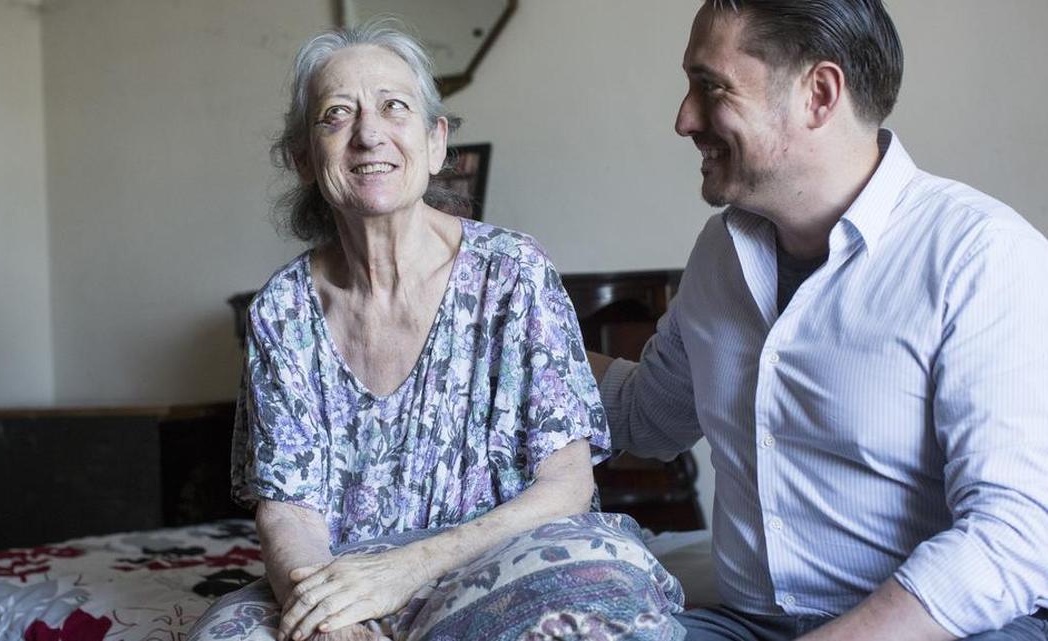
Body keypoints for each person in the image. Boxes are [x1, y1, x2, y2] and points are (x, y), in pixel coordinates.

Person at [190, 19, 683, 641]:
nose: (369, 134)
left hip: (506, 561)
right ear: (304, 160)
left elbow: (566, 486)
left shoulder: (513, 273)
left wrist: (407, 568)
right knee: (229, 633)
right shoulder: (282, 310)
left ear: (434, 142)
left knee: (593, 590)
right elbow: (289, 510)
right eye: (336, 115)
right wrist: (328, 616)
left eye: (394, 107)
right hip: (349, 579)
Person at [589, 1, 1048, 640]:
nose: (684, 118)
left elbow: (1013, 536)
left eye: (711, 86)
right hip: (751, 623)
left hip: (952, 629)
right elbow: (649, 415)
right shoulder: (720, 252)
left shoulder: (984, 256)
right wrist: (484, 329)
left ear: (819, 94)